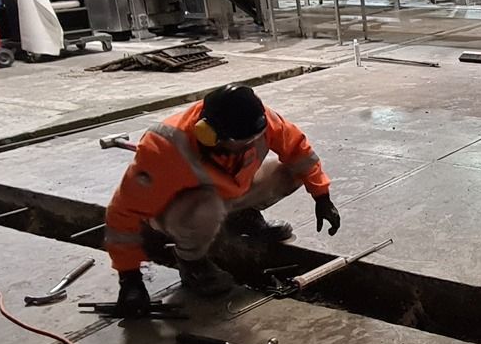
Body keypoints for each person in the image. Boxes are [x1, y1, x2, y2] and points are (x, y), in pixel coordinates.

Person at [103, 82, 341, 306]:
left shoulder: (259, 121)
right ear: (208, 134)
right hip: (180, 210)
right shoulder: (164, 146)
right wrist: (129, 279)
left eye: (255, 139)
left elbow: (299, 152)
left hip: (226, 195)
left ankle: (241, 217)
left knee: (291, 172)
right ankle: (191, 262)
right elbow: (123, 212)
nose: (252, 145)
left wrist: (322, 196)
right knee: (209, 206)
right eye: (243, 142)